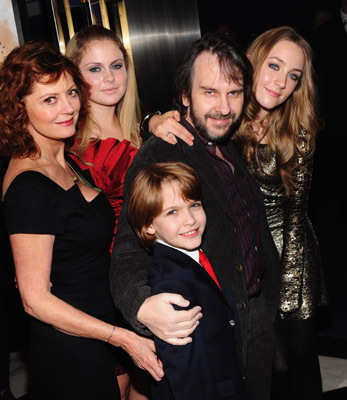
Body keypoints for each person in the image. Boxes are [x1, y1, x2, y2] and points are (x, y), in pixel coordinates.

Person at [149, 26, 327, 400]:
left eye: (293, 76)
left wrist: (287, 289)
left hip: (291, 259)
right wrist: (151, 120)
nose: (281, 82)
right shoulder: (225, 116)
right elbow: (184, 123)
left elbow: (296, 215)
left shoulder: (297, 128)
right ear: (252, 65)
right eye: (274, 66)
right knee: (264, 367)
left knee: (299, 363)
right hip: (238, 260)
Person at [0, 40, 163, 400]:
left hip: (100, 334)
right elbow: (34, 299)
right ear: (20, 111)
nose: (67, 108)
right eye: (49, 100)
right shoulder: (29, 186)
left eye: (70, 93)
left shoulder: (62, 160)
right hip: (72, 353)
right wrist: (121, 338)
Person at [110, 32, 281, 400]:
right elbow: (126, 252)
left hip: (256, 316)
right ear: (185, 96)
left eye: (234, 93)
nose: (224, 106)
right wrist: (140, 306)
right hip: (214, 332)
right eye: (210, 92)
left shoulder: (227, 143)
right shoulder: (164, 152)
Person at [65, 25, 147, 399]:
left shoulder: (136, 130)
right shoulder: (86, 149)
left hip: (150, 273)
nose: (110, 77)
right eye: (94, 69)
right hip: (114, 284)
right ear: (73, 77)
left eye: (116, 65)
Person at [127, 161, 249, 400]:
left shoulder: (195, 259)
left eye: (194, 205)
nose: (190, 219)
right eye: (172, 212)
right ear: (149, 226)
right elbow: (188, 376)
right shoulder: (172, 287)